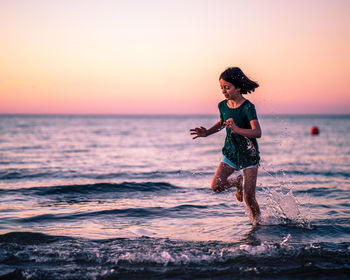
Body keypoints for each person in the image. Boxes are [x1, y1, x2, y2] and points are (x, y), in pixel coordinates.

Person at [190, 67, 262, 224]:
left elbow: (257, 132)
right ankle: (237, 181)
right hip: (230, 152)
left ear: (238, 87)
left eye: (227, 87)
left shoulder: (248, 107)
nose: (224, 91)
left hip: (249, 154)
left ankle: (258, 225)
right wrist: (207, 132)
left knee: (249, 197)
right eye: (221, 87)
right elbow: (222, 123)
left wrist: (237, 129)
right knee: (216, 185)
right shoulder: (222, 105)